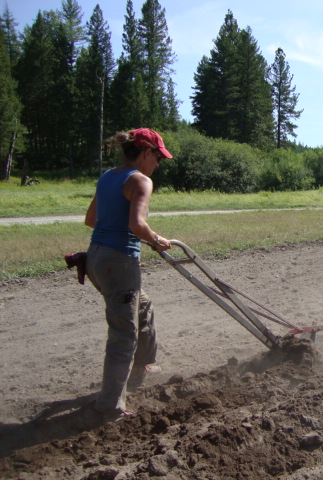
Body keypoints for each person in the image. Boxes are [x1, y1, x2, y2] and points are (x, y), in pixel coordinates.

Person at [80, 128, 173, 425]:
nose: (158, 163)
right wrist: (156, 239)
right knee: (123, 334)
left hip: (96, 257)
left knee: (142, 305)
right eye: (158, 156)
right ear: (146, 152)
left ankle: (143, 364)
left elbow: (91, 220)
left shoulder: (108, 176)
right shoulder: (141, 180)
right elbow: (137, 224)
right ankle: (109, 407)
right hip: (119, 263)